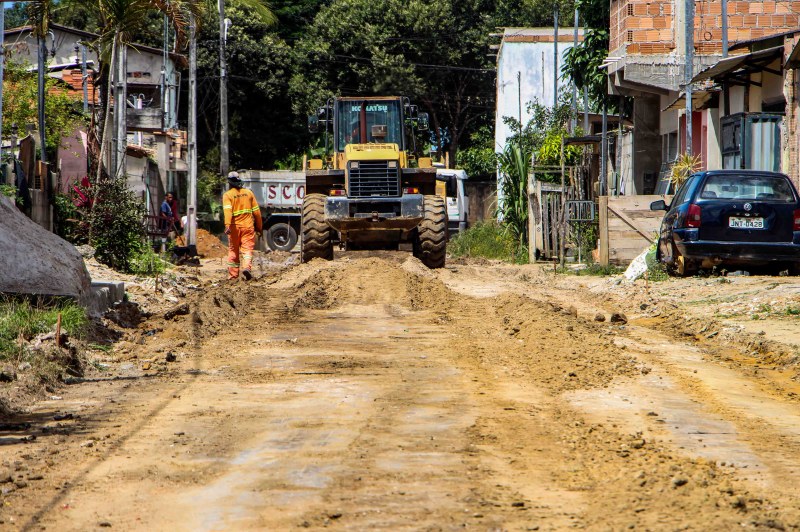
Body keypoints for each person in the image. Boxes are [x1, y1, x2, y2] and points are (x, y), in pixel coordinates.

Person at [223, 171, 263, 281]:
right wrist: (259, 227)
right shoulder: (249, 193)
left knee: (233, 251)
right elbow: (257, 213)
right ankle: (246, 268)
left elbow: (228, 212)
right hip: (248, 227)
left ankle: (233, 276)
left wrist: (227, 225)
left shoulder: (227, 195)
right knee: (247, 250)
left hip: (234, 228)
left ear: (229, 183)